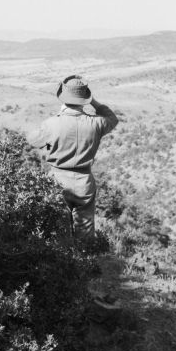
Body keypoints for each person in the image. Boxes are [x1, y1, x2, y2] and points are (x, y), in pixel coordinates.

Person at [27, 75, 118, 243]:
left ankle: (64, 263)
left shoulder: (52, 124)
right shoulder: (96, 123)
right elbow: (112, 118)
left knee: (58, 232)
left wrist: (50, 144)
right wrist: (93, 102)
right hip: (84, 181)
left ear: (63, 98)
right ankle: (86, 260)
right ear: (84, 99)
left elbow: (32, 139)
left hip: (57, 180)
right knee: (85, 232)